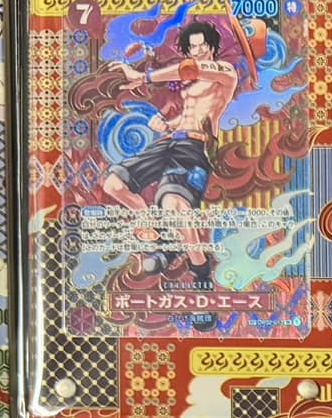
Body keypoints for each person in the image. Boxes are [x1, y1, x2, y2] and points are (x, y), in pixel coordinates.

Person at [101, 19, 240, 324]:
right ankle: (165, 240)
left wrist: (143, 77)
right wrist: (165, 125)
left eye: (203, 45)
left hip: (194, 148)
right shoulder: (193, 83)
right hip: (170, 141)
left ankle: (201, 279)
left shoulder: (225, 72)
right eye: (193, 46)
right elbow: (187, 117)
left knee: (176, 208)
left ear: (213, 47)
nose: (199, 50)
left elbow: (190, 70)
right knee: (113, 184)